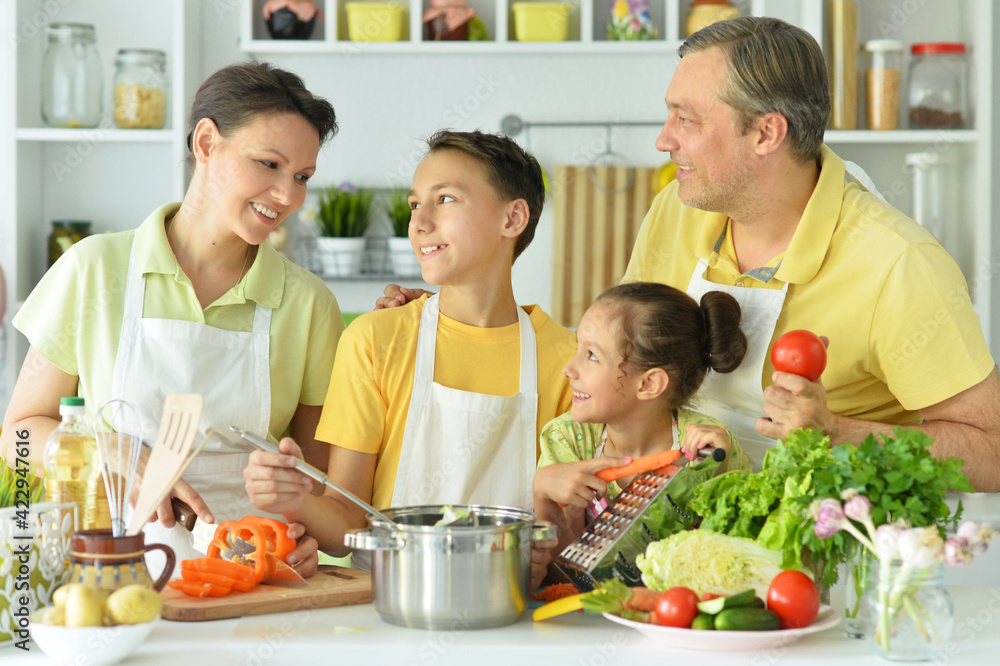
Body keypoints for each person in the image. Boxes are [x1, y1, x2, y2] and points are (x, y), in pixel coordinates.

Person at [381, 17, 1000, 491]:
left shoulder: (898, 263)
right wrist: (456, 315)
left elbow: (991, 450)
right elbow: (618, 362)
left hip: (824, 567)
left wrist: (839, 434)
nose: (662, 139)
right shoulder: (676, 212)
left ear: (766, 132)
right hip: (676, 543)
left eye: (686, 118)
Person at [1, 62, 343, 575]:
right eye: (269, 164)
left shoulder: (309, 303)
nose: (288, 196)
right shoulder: (95, 270)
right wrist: (105, 450)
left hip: (248, 585)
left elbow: (319, 486)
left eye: (302, 177)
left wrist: (302, 539)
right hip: (105, 576)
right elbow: (18, 440)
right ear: (206, 143)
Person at [243, 130, 575, 584]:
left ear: (513, 217)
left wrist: (551, 549)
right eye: (416, 204)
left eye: (446, 199)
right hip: (387, 610)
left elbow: (571, 526)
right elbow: (348, 523)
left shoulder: (567, 359)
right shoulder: (375, 340)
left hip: (513, 610)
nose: (419, 223)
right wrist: (290, 497)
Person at [533, 282, 752, 554]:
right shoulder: (565, 438)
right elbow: (556, 571)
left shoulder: (709, 446)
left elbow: (741, 550)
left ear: (648, 384)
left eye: (591, 355)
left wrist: (718, 474)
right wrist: (543, 495)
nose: (568, 369)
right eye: (578, 347)